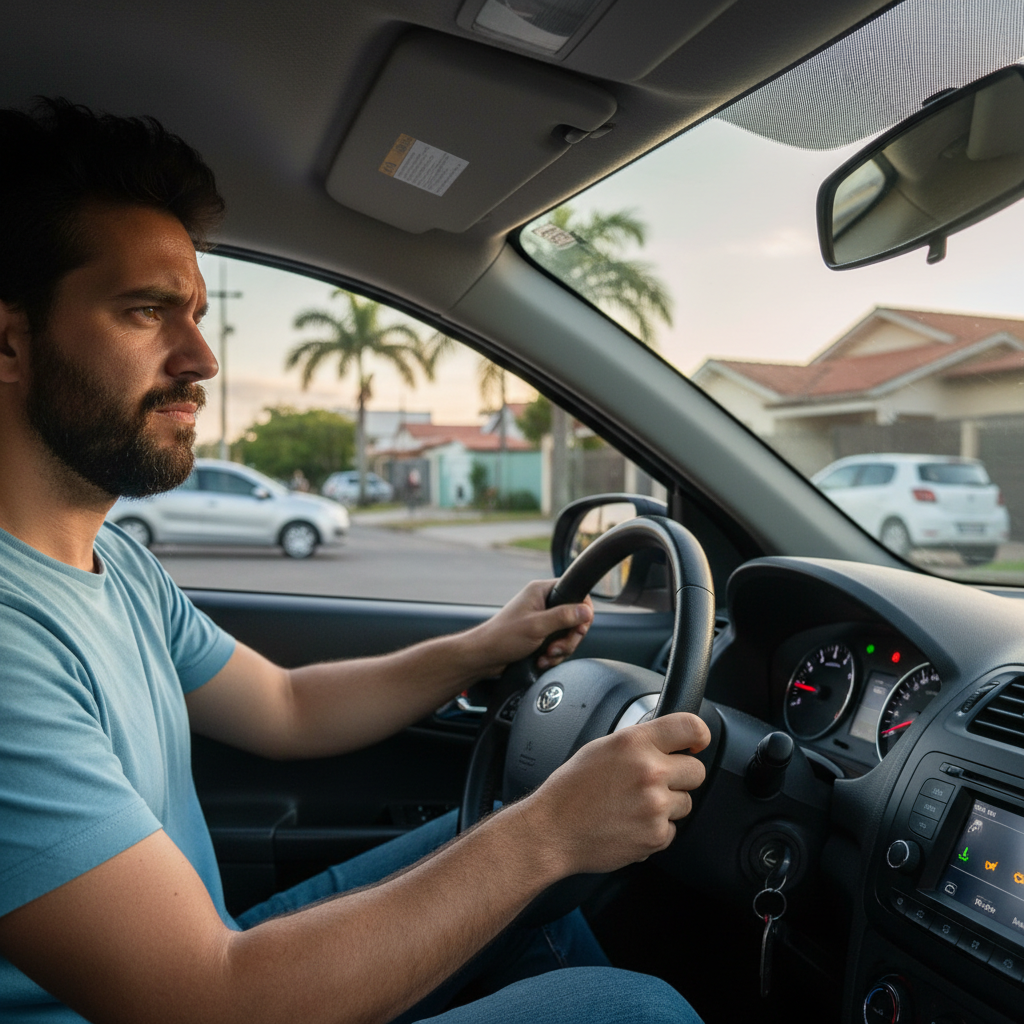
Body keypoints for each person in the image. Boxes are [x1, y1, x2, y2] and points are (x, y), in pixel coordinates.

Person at [0, 100, 710, 1024]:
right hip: (206, 993)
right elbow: (204, 1000)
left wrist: (481, 647)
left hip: (216, 953)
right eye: (147, 311)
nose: (202, 357)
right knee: (630, 1010)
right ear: (9, 341)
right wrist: (552, 831)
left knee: (516, 889)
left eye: (199, 316)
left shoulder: (116, 569)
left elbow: (288, 708)